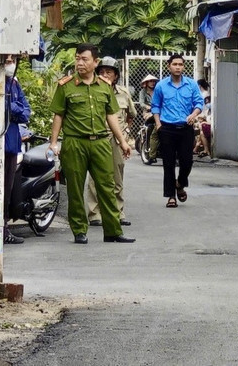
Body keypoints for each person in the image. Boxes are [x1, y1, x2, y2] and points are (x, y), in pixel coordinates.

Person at [48, 43, 135, 244]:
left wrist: (123, 142)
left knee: (107, 186)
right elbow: (58, 115)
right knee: (75, 188)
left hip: (101, 143)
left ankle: (113, 230)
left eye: (84, 59)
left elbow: (111, 115)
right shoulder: (66, 86)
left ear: (95, 62)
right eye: (78, 58)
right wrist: (53, 143)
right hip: (75, 143)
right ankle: (79, 230)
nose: (80, 62)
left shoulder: (104, 86)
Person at [86, 57, 136, 227]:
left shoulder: (123, 93)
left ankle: (118, 212)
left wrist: (125, 133)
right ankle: (94, 214)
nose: (105, 75)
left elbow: (131, 115)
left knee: (117, 177)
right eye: (101, 72)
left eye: (109, 72)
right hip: (97, 137)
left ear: (116, 75)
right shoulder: (92, 91)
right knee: (95, 177)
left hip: (117, 140)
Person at [151, 54, 204, 207]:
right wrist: (158, 124)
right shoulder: (161, 86)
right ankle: (171, 196)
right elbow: (156, 106)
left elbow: (199, 103)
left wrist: (193, 115)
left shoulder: (191, 84)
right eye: (175, 64)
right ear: (169, 66)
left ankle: (180, 183)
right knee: (168, 164)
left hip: (185, 128)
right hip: (166, 128)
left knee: (187, 161)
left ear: (183, 66)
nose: (178, 67)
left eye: (180, 64)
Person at [4, 55, 31, 244]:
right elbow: (0, 106)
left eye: (12, 58)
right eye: (6, 59)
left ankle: (4, 227)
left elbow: (26, 112)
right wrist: (15, 108)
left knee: (7, 189)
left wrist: (13, 108)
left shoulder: (14, 84)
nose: (10, 61)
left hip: (12, 144)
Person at [139, 74, 159, 162]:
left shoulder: (158, 90)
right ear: (146, 83)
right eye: (150, 81)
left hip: (158, 111)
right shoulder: (143, 92)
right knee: (151, 128)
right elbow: (141, 103)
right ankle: (150, 150)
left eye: (153, 81)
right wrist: (149, 108)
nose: (152, 83)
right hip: (147, 112)